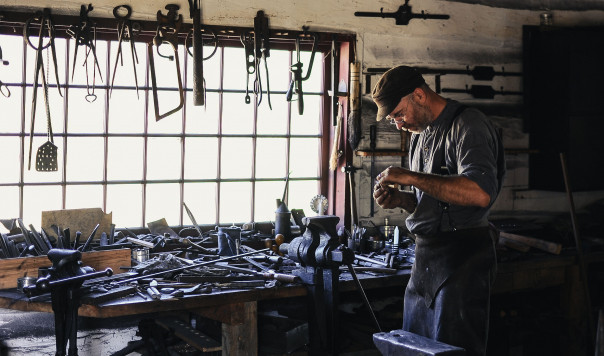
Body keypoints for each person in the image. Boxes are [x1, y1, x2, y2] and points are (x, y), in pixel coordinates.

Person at [371, 65, 505, 356]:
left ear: (419, 95)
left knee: (451, 351)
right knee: (412, 348)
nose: (398, 124)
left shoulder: (468, 125)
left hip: (463, 258)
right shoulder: (420, 135)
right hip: (426, 261)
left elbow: (480, 193)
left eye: (398, 114)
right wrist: (402, 200)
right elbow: (434, 203)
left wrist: (410, 176)